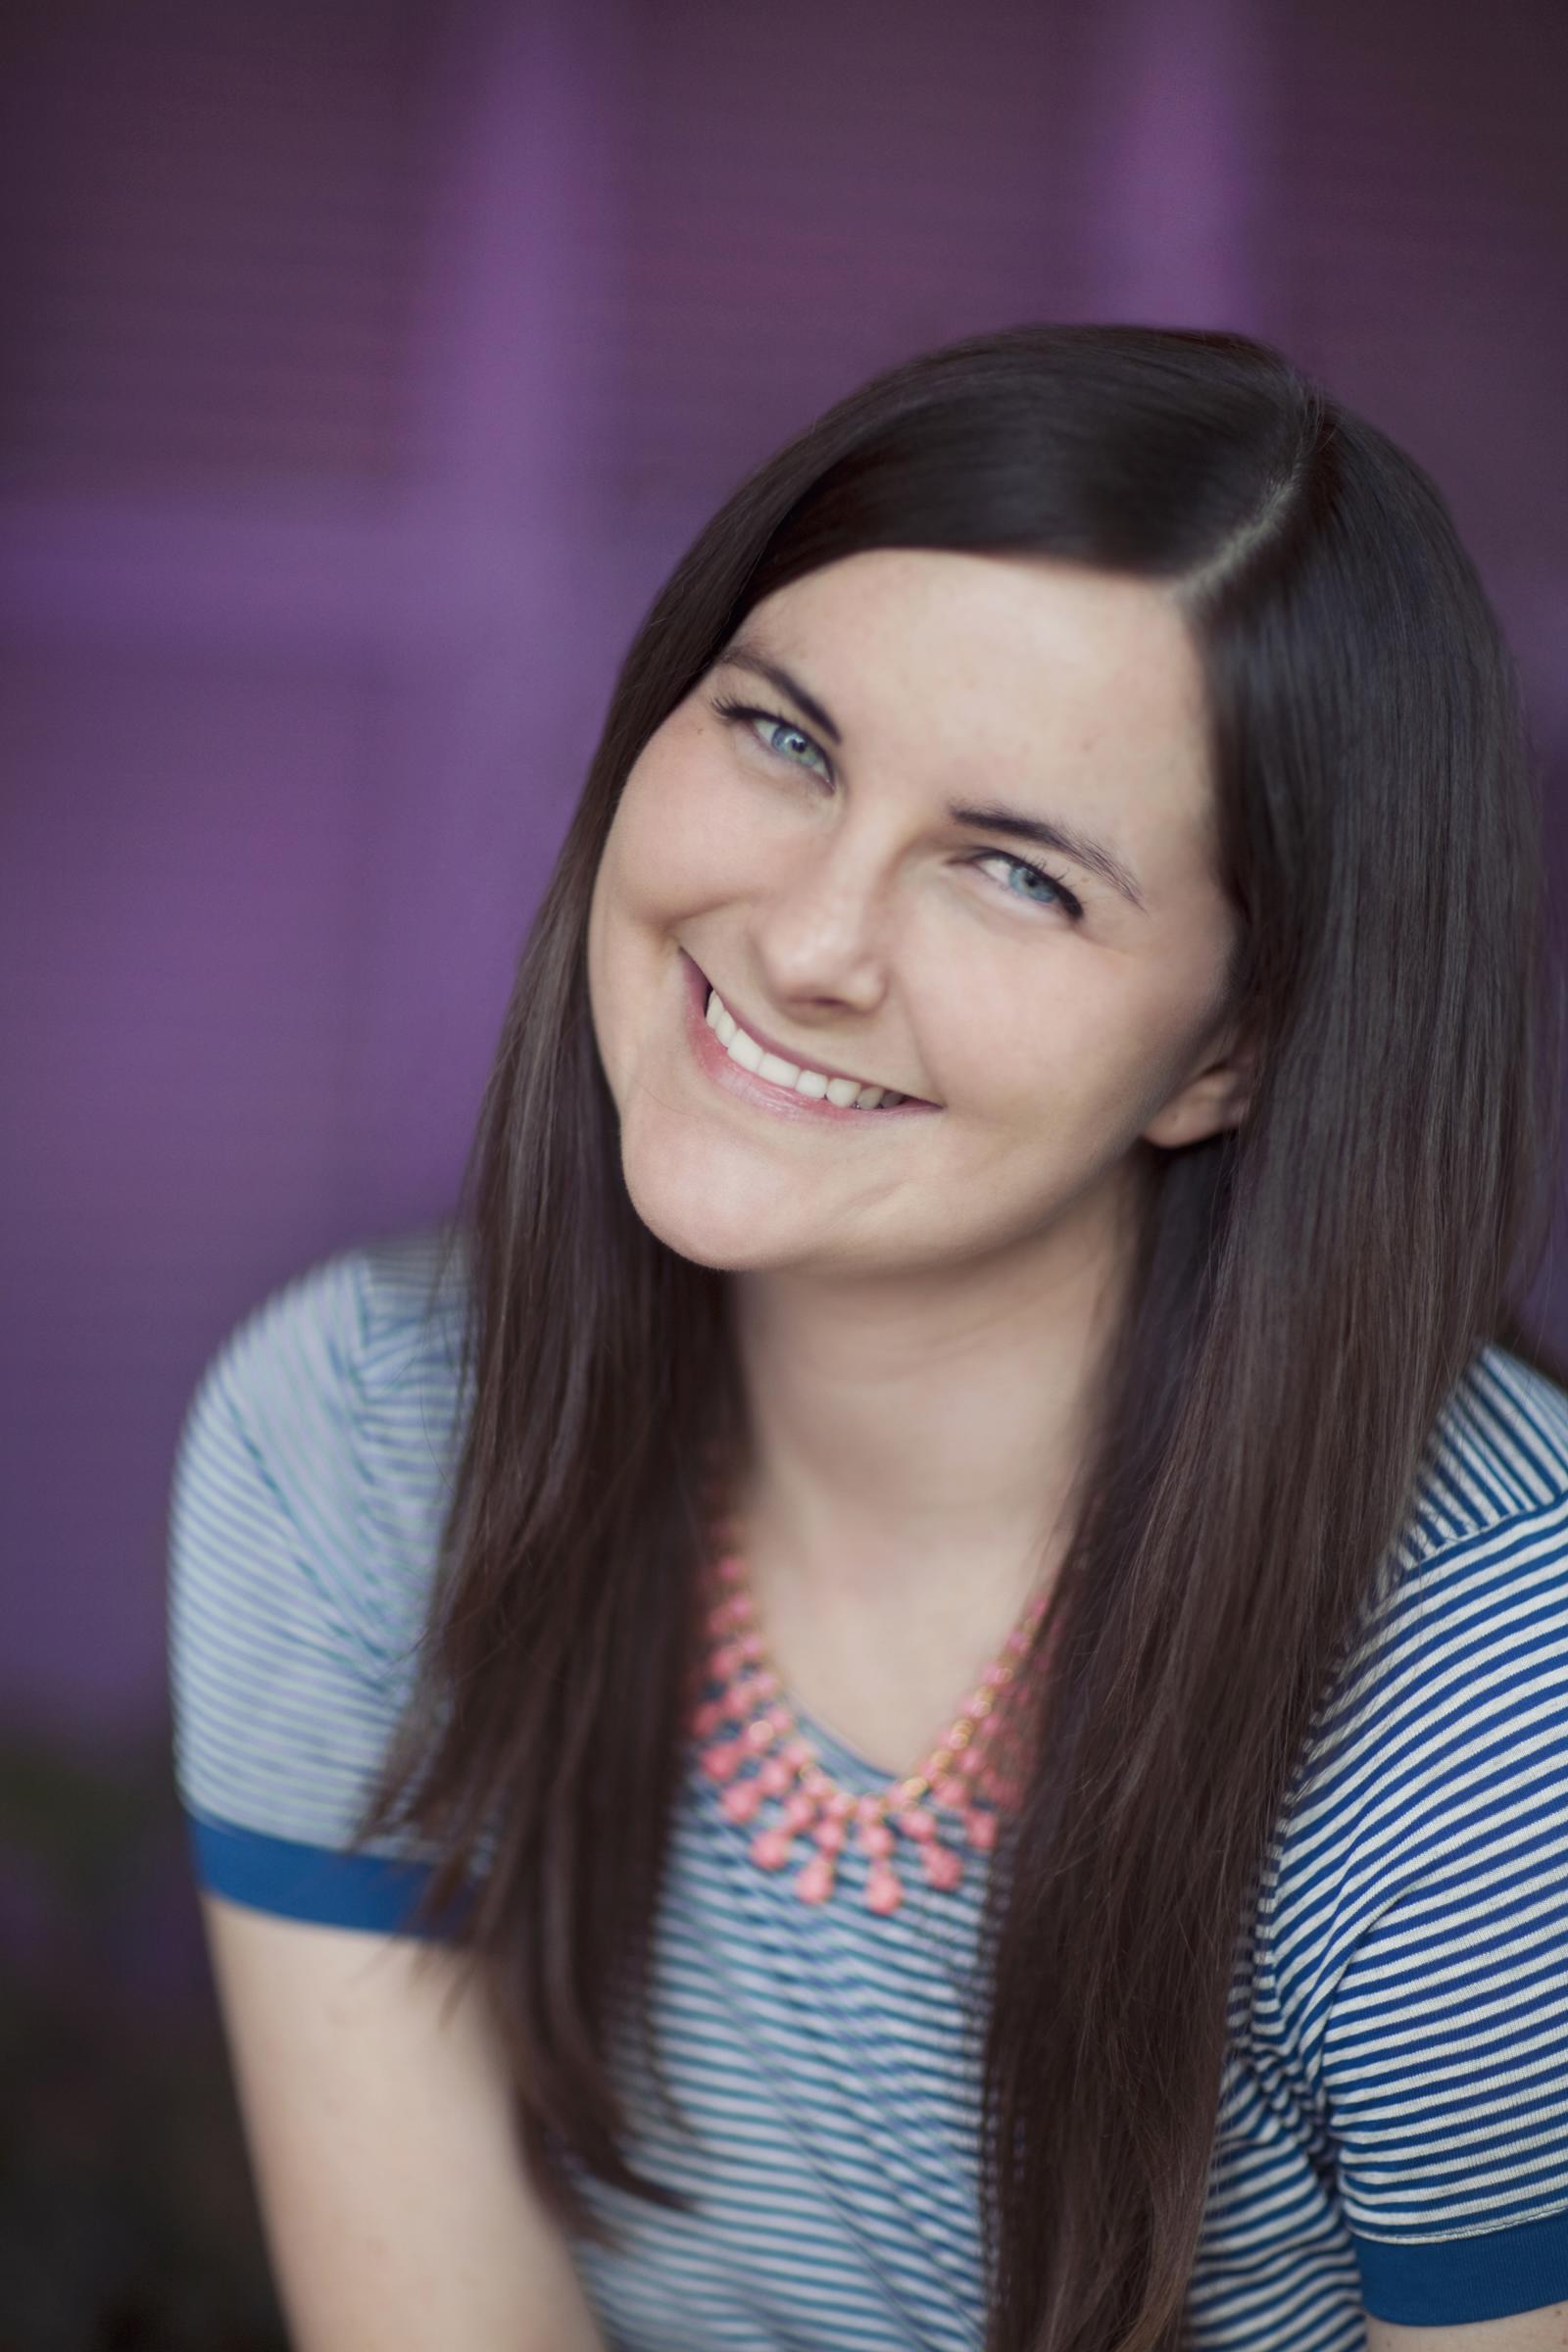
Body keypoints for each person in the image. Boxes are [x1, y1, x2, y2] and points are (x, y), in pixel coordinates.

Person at [166, 323, 1568, 2352]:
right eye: (785, 740)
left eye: (1015, 874)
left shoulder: (1499, 1708)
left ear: (1233, 1049)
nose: (810, 942)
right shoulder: (355, 1445)